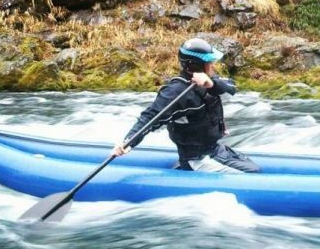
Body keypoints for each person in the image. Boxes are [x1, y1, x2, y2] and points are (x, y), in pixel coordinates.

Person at [111, 38, 261, 173]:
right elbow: (150, 117)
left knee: (255, 168)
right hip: (197, 159)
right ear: (197, 65)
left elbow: (231, 87)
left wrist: (211, 83)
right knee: (253, 174)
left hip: (214, 149)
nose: (212, 65)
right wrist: (128, 141)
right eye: (209, 62)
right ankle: (186, 169)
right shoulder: (175, 92)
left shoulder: (208, 79)